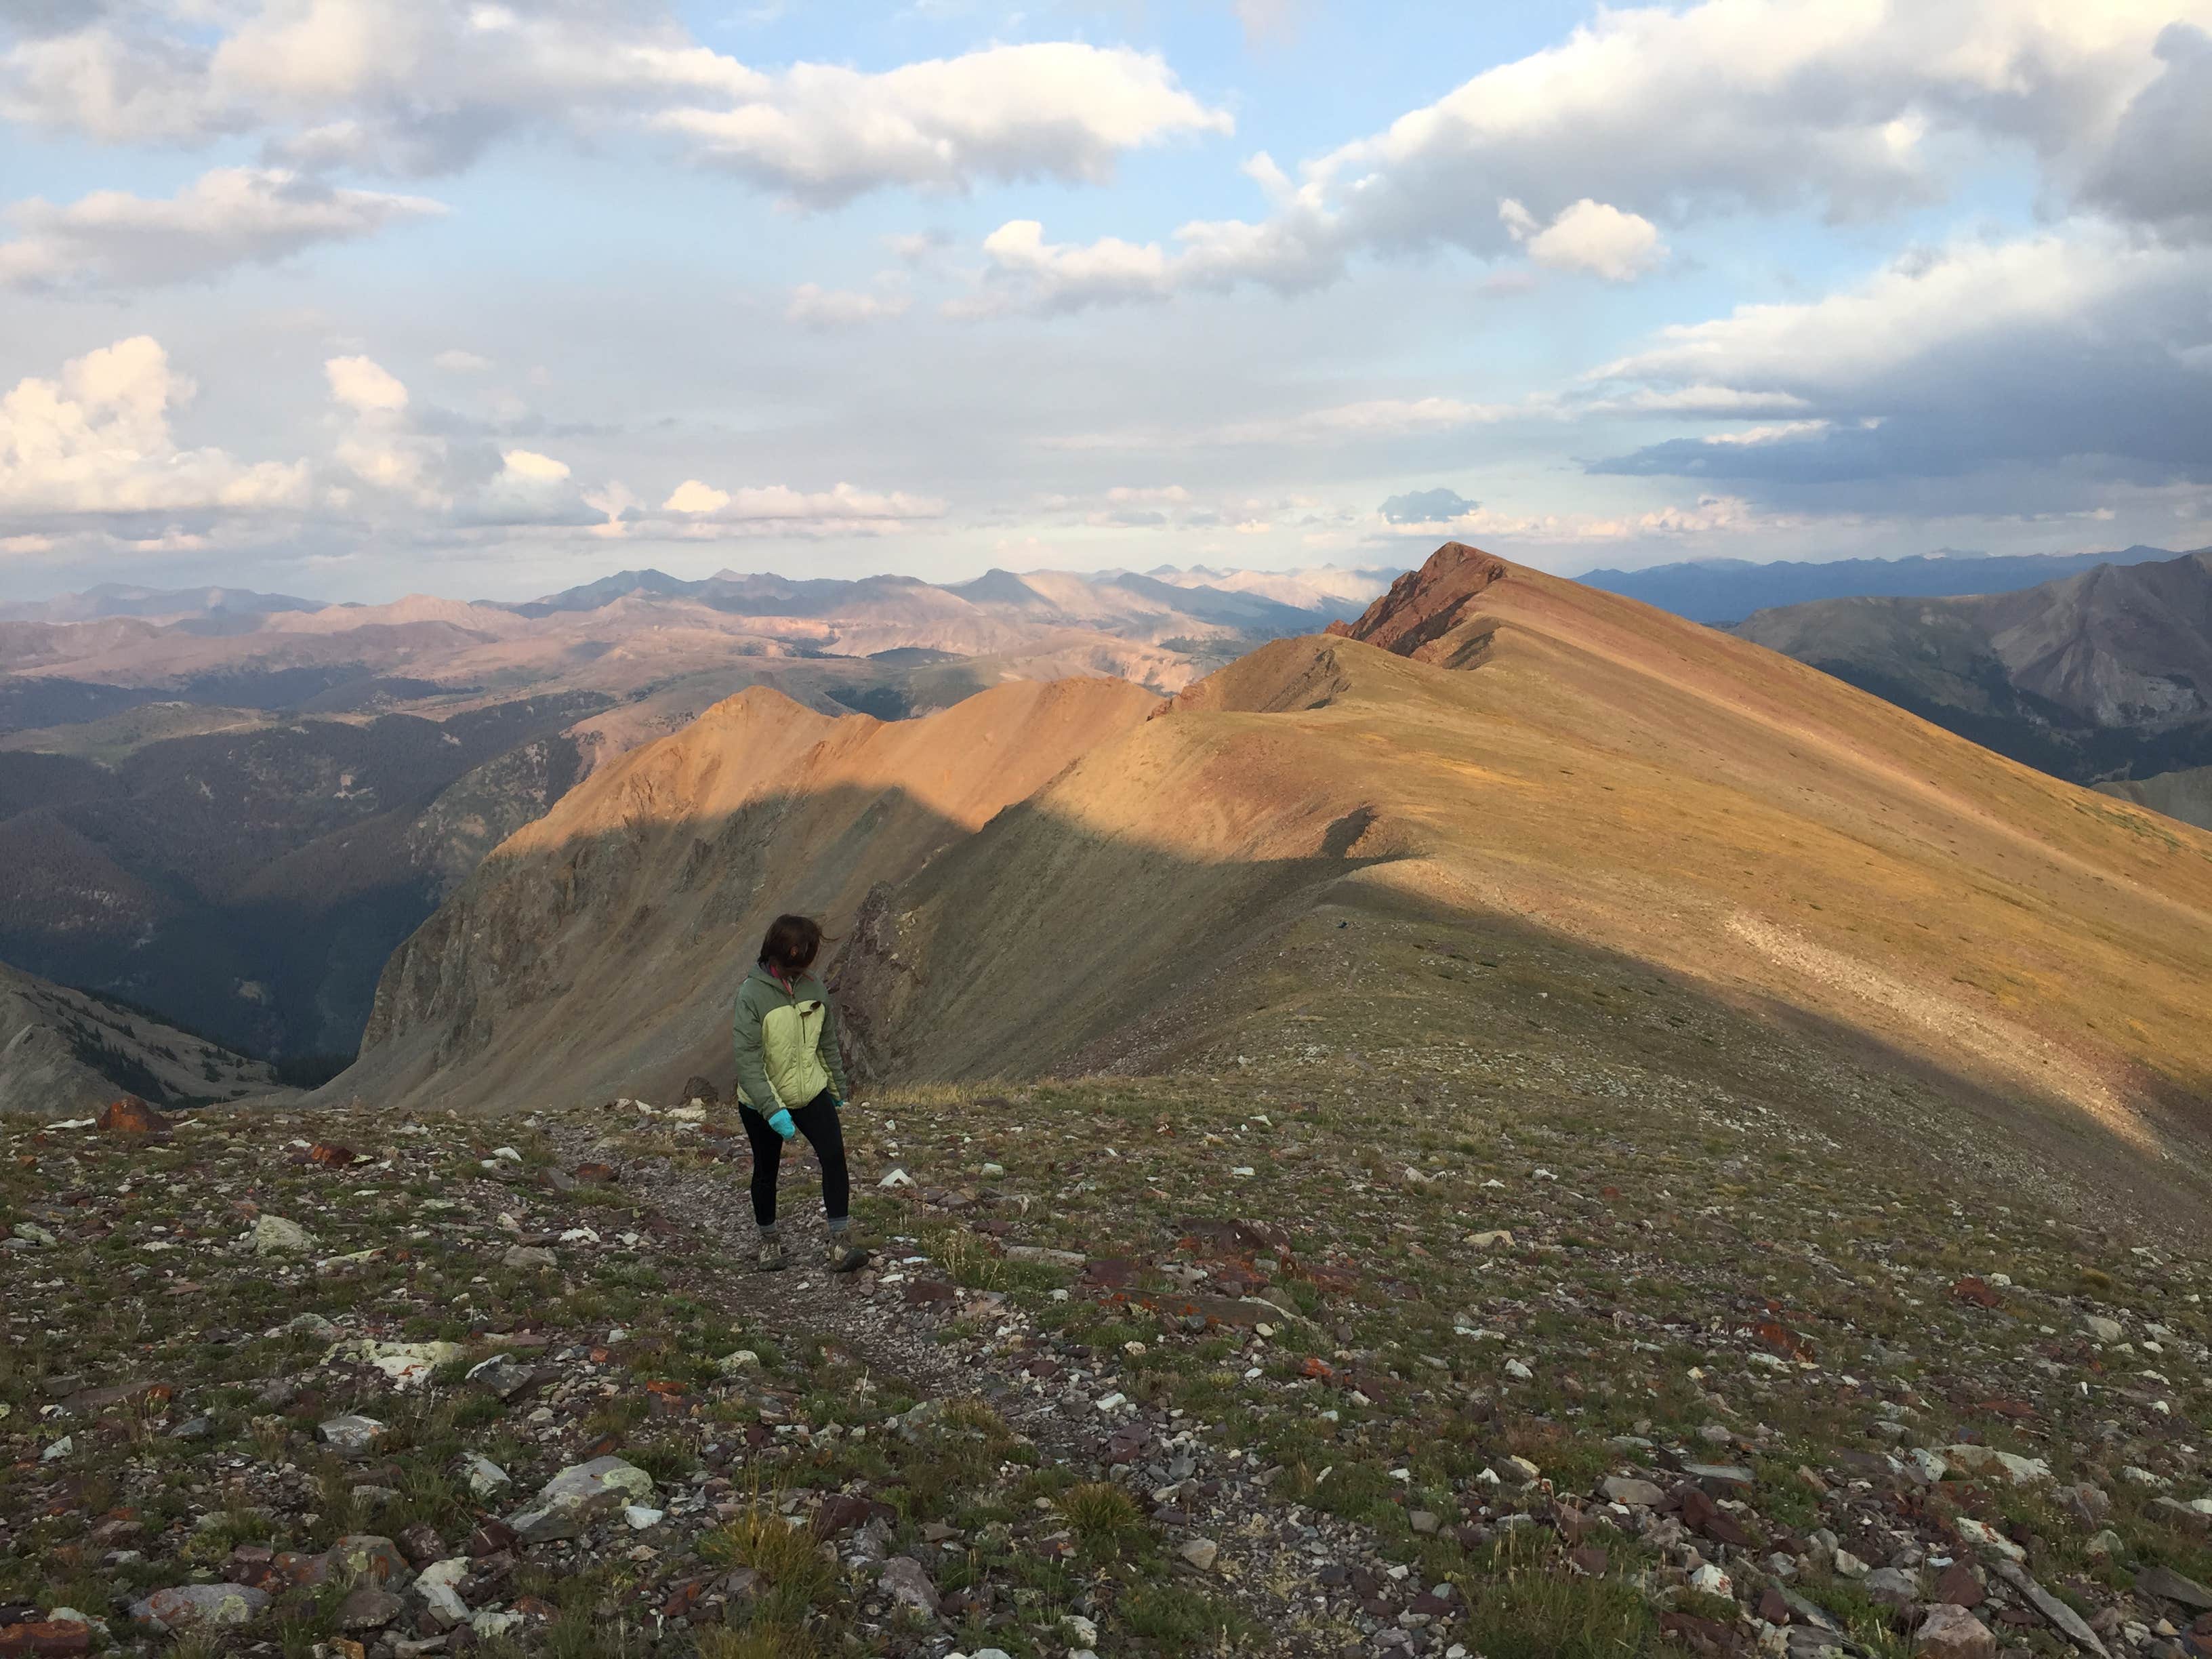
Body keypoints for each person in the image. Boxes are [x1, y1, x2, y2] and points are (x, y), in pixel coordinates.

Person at [732, 914, 868, 1274]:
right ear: (792, 951)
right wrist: (772, 1109)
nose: (814, 957)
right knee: (766, 1170)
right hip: (762, 1103)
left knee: (835, 1157)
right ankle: (768, 1243)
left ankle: (840, 1245)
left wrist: (836, 1088)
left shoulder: (814, 988)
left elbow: (827, 1044)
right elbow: (747, 1060)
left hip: (811, 1092)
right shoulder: (751, 994)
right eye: (810, 950)